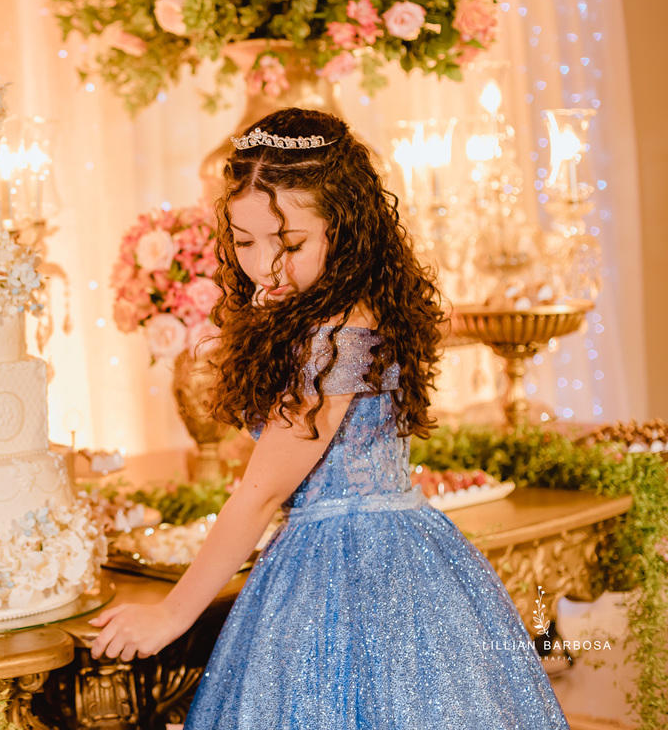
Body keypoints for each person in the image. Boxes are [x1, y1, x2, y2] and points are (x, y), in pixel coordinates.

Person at [89, 109, 570, 729]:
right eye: (243, 241)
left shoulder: (337, 336)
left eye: (289, 243)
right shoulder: (343, 312)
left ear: (343, 229)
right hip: (393, 546)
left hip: (351, 569)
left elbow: (260, 494)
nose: (265, 265)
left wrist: (172, 614)